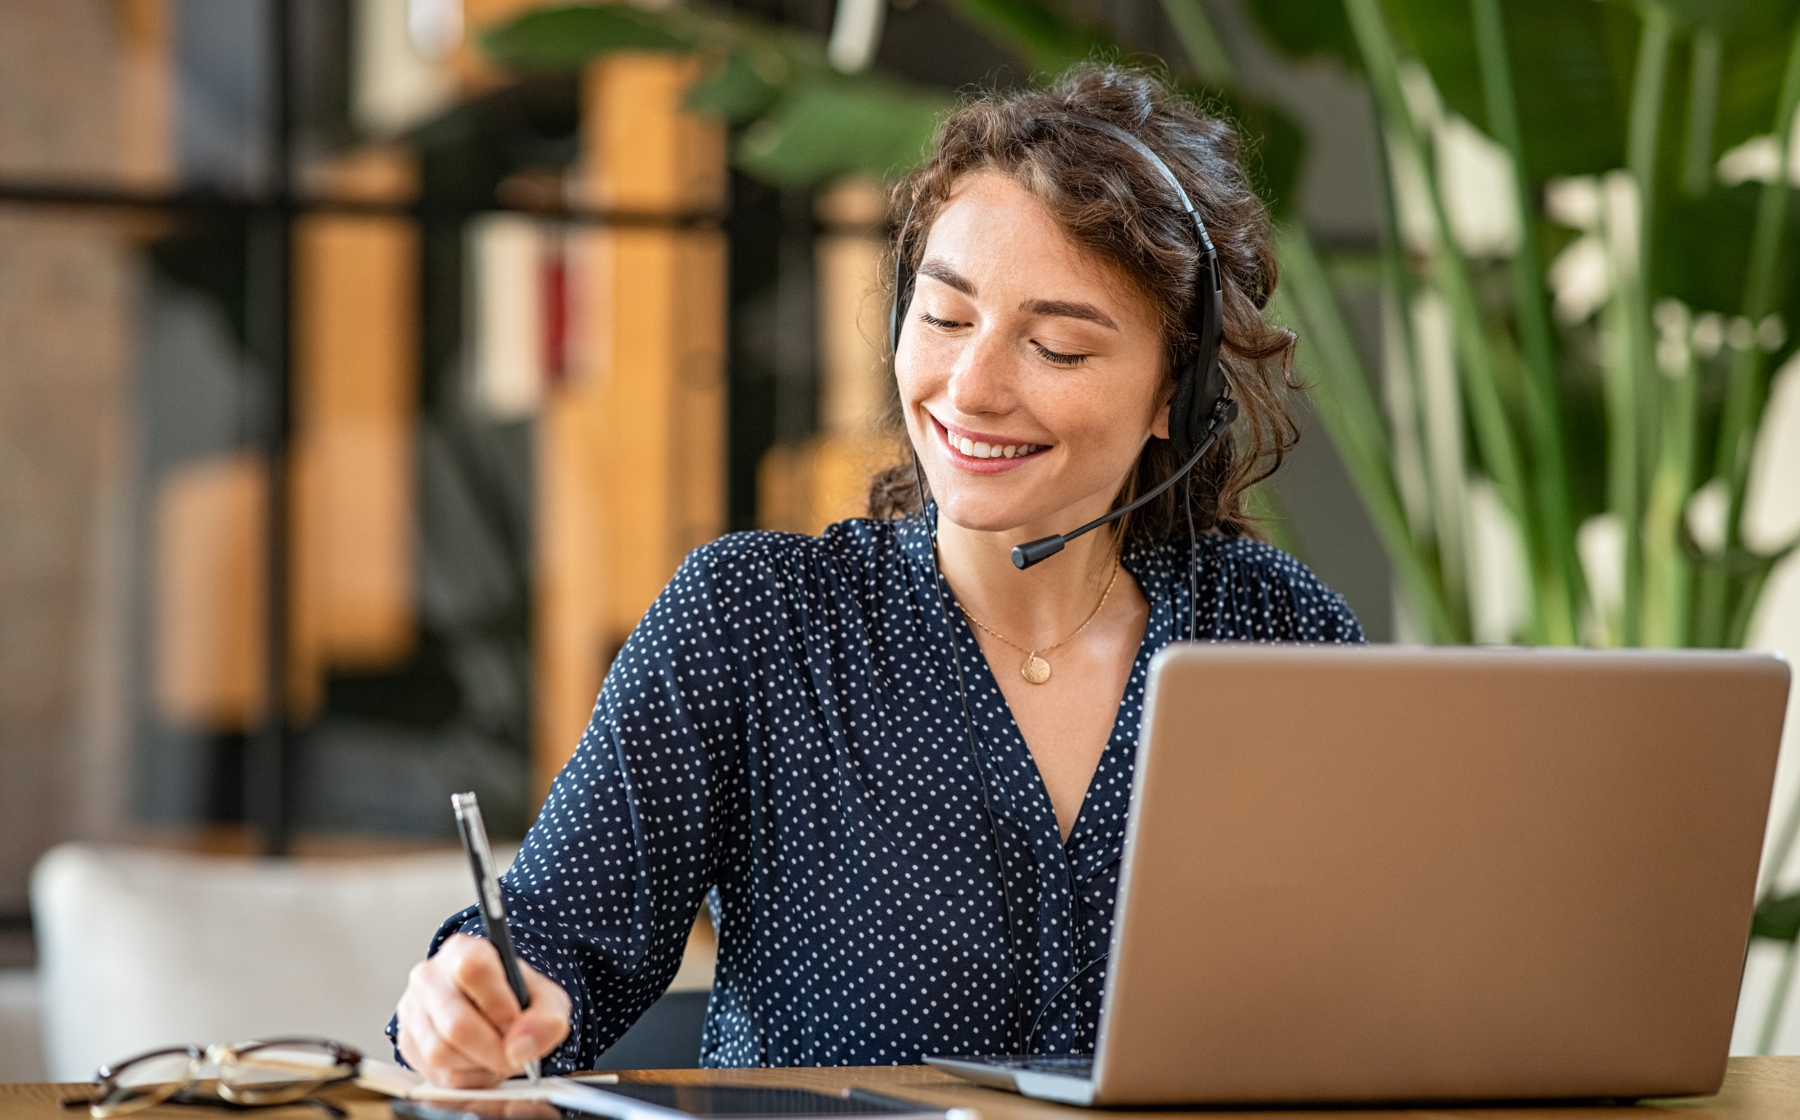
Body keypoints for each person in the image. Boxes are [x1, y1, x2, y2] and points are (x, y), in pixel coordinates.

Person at [390, 63, 1364, 1087]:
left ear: (1180, 391)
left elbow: (1380, 989)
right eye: (944, 319)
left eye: (1058, 348)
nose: (971, 388)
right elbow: (542, 955)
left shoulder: (1277, 635)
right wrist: (467, 1002)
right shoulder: (755, 621)